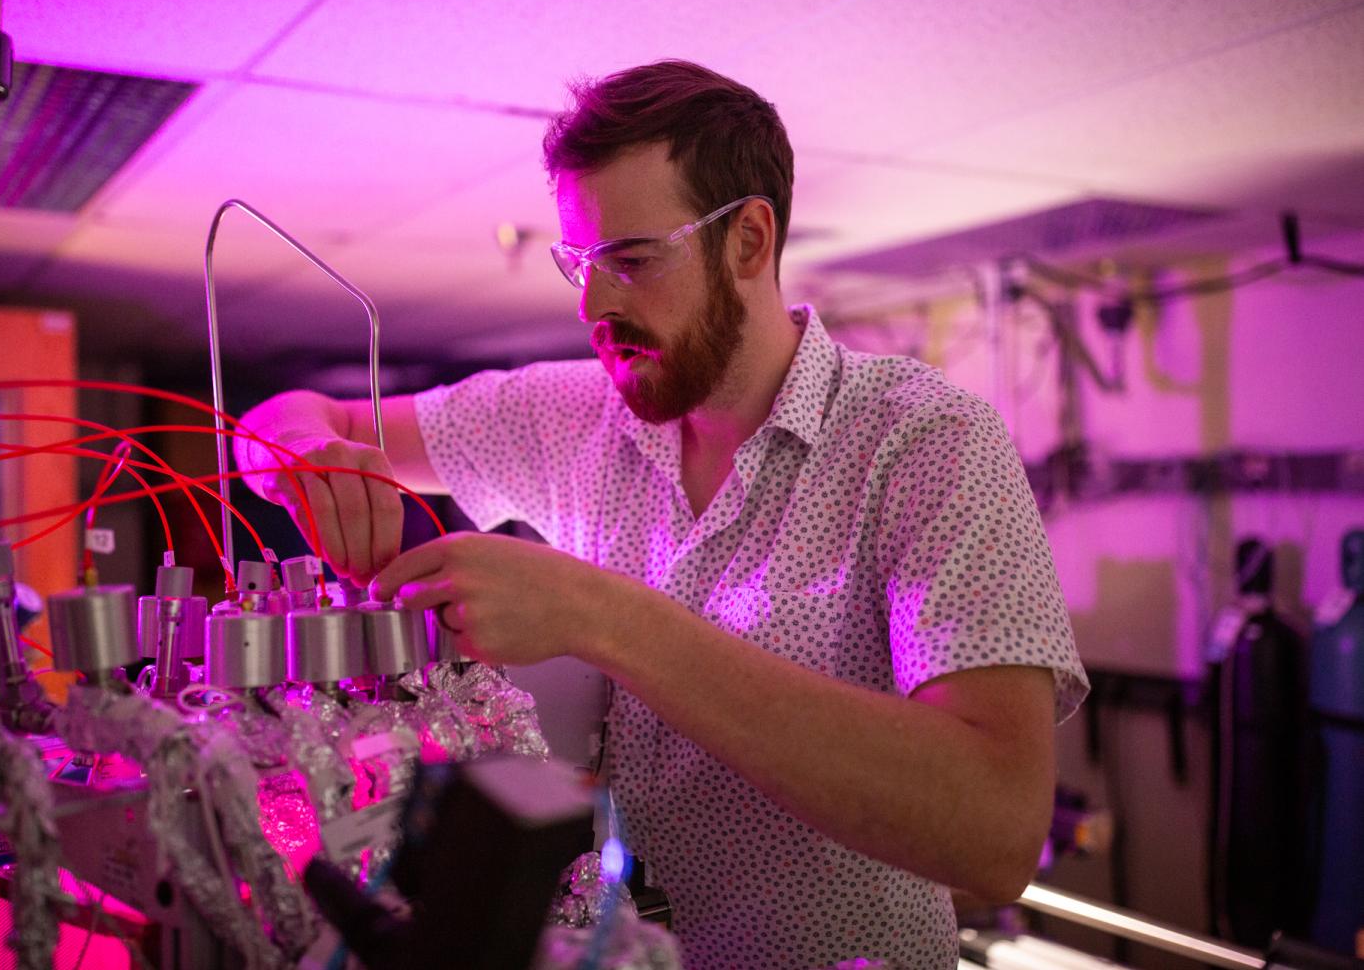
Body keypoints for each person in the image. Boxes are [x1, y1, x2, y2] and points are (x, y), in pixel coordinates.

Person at [237, 60, 1088, 970]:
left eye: (632, 261)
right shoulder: (574, 415)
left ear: (750, 241)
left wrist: (601, 616)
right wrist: (307, 459)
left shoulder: (924, 441)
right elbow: (280, 422)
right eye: (581, 263)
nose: (593, 305)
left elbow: (996, 835)